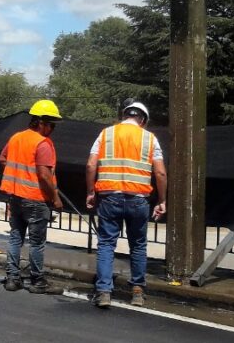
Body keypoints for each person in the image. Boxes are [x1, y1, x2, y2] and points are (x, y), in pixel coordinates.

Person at [85, 99, 168, 309]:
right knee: (138, 246)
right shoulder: (150, 138)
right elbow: (160, 172)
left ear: (125, 115)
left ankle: (104, 291)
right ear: (142, 119)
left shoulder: (106, 134)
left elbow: (90, 165)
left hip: (109, 197)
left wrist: (90, 192)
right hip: (138, 199)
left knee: (106, 244)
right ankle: (138, 292)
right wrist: (162, 200)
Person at [0, 99, 64, 294]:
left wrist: (20, 174)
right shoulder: (43, 144)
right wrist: (56, 198)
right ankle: (37, 281)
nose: (52, 129)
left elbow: (3, 159)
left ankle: (12, 278)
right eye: (51, 124)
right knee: (36, 242)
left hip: (15, 197)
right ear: (41, 122)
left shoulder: (16, 138)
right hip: (35, 199)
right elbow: (44, 175)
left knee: (15, 237)